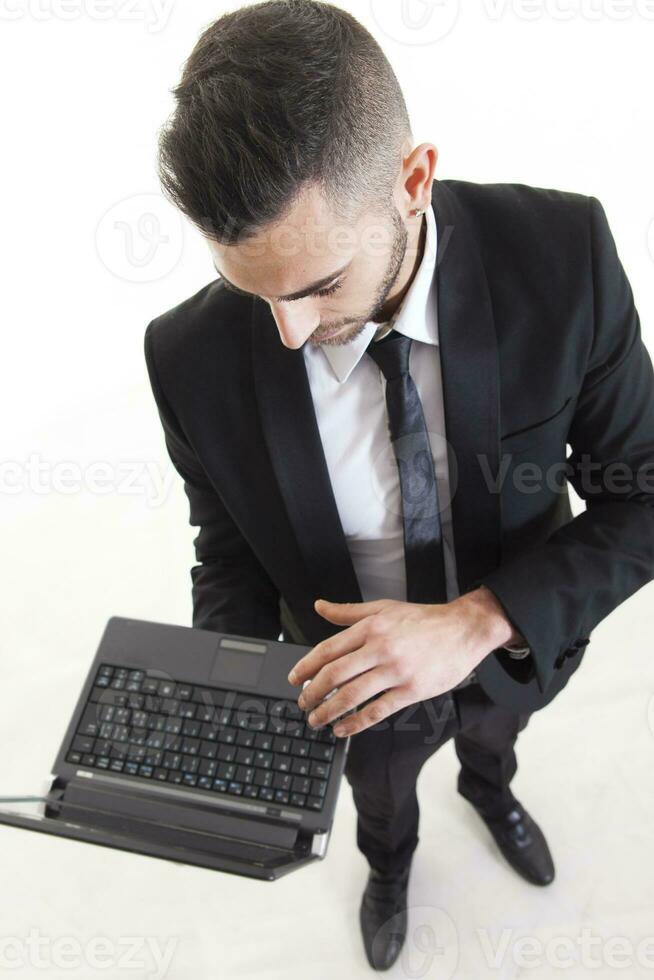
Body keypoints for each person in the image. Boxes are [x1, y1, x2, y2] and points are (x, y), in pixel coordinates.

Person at [144, 0, 654, 970]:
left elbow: (647, 495)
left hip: (514, 648)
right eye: (257, 291)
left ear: (411, 181)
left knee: (495, 737)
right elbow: (231, 551)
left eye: (319, 284)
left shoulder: (564, 259)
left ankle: (489, 784)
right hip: (349, 694)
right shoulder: (188, 356)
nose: (286, 332)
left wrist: (478, 621)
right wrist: (238, 718)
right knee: (382, 801)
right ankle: (392, 864)